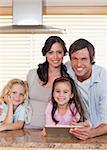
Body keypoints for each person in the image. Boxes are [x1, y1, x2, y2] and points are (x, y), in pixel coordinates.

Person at [65, 38, 107, 140]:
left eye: (84, 59)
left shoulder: (103, 79)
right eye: (75, 59)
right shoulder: (68, 69)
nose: (79, 64)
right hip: (83, 129)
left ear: (91, 60)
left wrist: (91, 133)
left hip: (101, 133)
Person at [25, 36, 69, 129]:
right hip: (27, 128)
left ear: (64, 54)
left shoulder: (67, 79)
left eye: (59, 52)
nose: (55, 57)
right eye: (51, 52)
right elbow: (20, 98)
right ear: (45, 54)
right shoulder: (32, 74)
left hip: (53, 131)